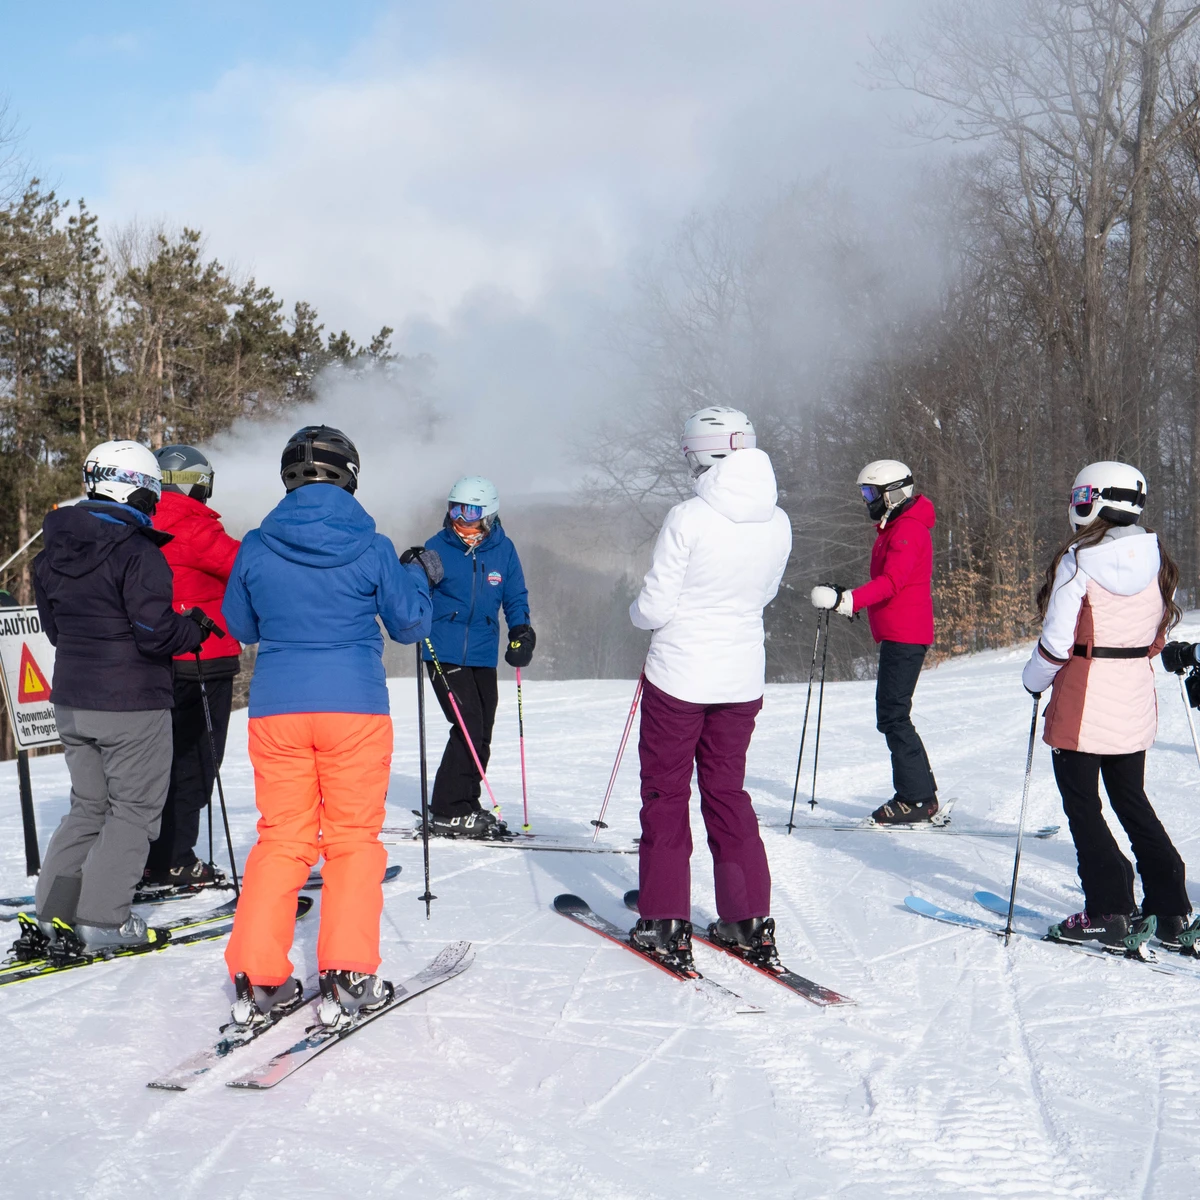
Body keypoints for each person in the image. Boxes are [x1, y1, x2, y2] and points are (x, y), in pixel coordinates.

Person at [221, 425, 433, 1029]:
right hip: (354, 710)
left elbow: (242, 624)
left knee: (283, 839)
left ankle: (262, 977)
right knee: (350, 841)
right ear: (350, 476)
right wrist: (418, 575)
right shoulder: (372, 547)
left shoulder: (258, 546)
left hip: (278, 709)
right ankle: (349, 974)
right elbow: (411, 624)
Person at [627, 406, 792, 970]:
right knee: (727, 793)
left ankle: (664, 917)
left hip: (679, 676)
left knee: (666, 795)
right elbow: (764, 594)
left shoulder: (688, 517)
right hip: (741, 677)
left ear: (702, 453)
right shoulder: (778, 520)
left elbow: (653, 607)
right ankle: (748, 919)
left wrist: (636, 612)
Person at [32, 441, 210, 950]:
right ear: (137, 488)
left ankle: (54, 910)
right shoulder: (137, 550)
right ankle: (104, 919)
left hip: (72, 697)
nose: (152, 505)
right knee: (133, 810)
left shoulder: (53, 550)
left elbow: (55, 629)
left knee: (89, 806)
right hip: (130, 701)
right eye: (151, 494)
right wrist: (192, 630)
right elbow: (154, 632)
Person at [1022, 461, 1189, 953]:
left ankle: (1109, 911)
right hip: (1134, 697)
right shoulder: (1158, 554)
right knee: (1131, 800)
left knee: (1082, 806)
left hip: (1082, 698)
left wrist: (1032, 682)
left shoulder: (1077, 560)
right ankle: (1171, 907)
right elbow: (1156, 637)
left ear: (1090, 501)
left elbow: (1056, 643)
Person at [811, 459, 939, 825]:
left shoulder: (908, 530)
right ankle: (921, 794)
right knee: (894, 713)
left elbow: (893, 582)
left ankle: (917, 798)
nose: (867, 499)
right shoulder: (897, 526)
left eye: (872, 493)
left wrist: (849, 600)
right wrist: (850, 599)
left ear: (894, 494)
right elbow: (889, 585)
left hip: (906, 636)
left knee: (893, 715)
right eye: (865, 493)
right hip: (901, 633)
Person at [412, 476, 533, 839]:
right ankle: (447, 808)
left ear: (489, 515)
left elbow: (514, 595)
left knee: (482, 732)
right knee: (467, 726)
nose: (461, 519)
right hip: (443, 649)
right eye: (455, 509)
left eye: (471, 512)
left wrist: (521, 631)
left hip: (483, 652)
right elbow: (416, 588)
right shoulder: (437, 547)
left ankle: (465, 801)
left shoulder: (503, 550)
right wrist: (412, 569)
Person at [144, 445, 242, 889]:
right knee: (198, 762)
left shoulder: (144, 523)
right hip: (204, 660)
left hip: (155, 660)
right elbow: (245, 568)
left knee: (158, 762)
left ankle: (151, 856)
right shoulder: (196, 528)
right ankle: (176, 859)